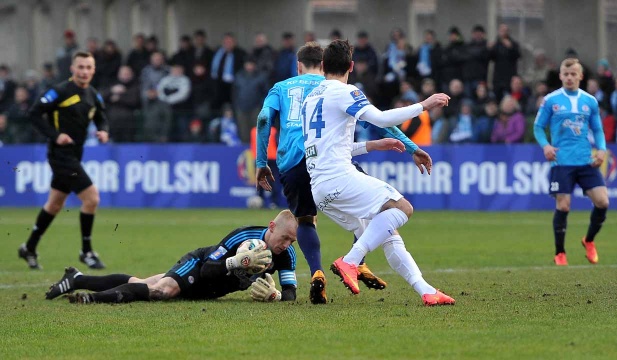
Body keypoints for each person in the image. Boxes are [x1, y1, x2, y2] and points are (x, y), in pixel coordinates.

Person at [256, 42, 433, 305]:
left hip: (296, 163)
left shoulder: (283, 87)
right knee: (375, 209)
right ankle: (355, 261)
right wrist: (411, 147)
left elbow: (263, 119)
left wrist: (261, 162)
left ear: (299, 66)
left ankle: (318, 271)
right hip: (332, 165)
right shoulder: (338, 90)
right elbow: (379, 121)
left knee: (306, 220)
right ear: (334, 65)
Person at [302, 39, 455, 306]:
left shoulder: (310, 100)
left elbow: (329, 147)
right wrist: (424, 104)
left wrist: (372, 145)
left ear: (323, 65)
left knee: (388, 235)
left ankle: (426, 291)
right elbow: (382, 119)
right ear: (351, 66)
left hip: (320, 189)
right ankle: (350, 261)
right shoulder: (346, 91)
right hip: (339, 178)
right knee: (401, 207)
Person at [45, 210, 298, 304]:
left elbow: (290, 294)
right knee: (162, 291)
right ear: (272, 227)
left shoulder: (286, 255)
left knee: (142, 284)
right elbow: (209, 269)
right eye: (284, 238)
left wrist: (275, 296)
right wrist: (237, 262)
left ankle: (77, 278)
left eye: (291, 242)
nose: (285, 245)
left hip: (209, 293)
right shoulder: (242, 236)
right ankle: (90, 299)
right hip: (198, 266)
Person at [18, 51, 109, 270]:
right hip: (60, 155)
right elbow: (33, 113)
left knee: (55, 203)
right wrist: (55, 135)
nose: (84, 71)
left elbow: (101, 117)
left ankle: (29, 247)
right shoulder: (59, 91)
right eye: (81, 67)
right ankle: (86, 252)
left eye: (88, 67)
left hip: (76, 154)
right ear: (72, 68)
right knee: (92, 198)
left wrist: (103, 131)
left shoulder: (93, 95)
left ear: (93, 70)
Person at [533, 58, 609, 266]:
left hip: (585, 160)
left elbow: (598, 129)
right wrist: (546, 146)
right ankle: (560, 253)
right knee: (564, 206)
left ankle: (589, 240)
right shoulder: (551, 100)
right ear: (560, 76)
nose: (569, 77)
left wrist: (601, 149)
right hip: (561, 161)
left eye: (573, 74)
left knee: (603, 202)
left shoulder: (590, 101)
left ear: (580, 76)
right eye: (566, 74)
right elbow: (538, 127)